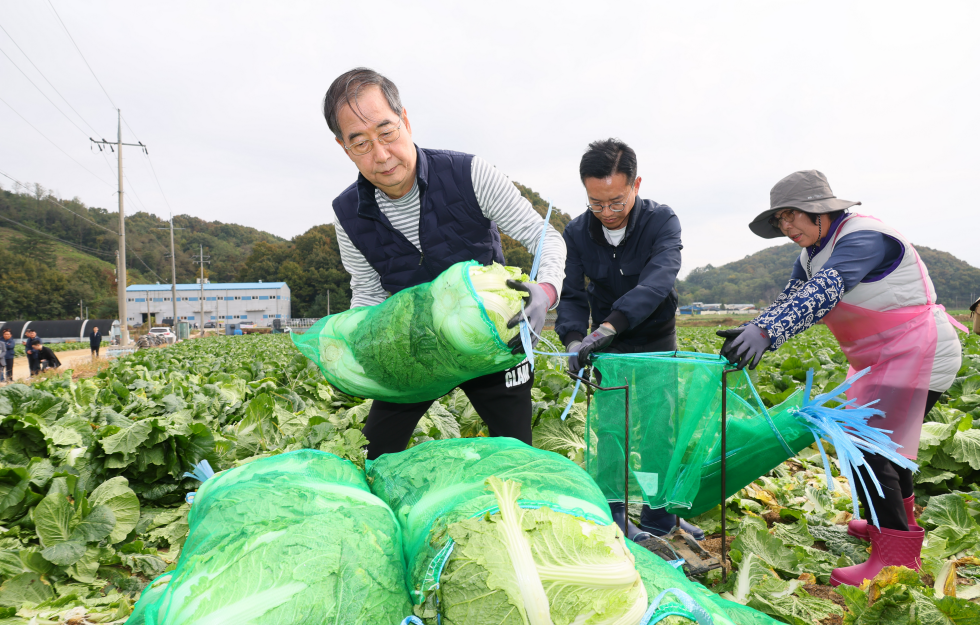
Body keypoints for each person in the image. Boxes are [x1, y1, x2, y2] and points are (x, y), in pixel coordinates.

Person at [718, 170, 965, 586]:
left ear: (822, 210)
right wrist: (753, 327)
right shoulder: (810, 253)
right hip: (884, 356)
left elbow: (828, 289)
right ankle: (893, 526)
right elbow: (793, 298)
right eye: (780, 219)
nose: (787, 226)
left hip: (919, 350)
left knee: (873, 447)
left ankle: (895, 559)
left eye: (793, 215)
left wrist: (768, 333)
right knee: (883, 445)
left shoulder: (863, 236)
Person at [324, 68, 566, 459]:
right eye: (361, 144)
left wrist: (546, 289)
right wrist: (355, 345)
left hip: (490, 338)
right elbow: (367, 289)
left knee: (517, 451)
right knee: (377, 449)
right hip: (414, 346)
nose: (382, 155)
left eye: (387, 132)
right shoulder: (346, 213)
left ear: (405, 120)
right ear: (343, 147)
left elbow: (545, 237)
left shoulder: (469, 174)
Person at [555, 138, 704, 541]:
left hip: (654, 335)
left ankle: (659, 514)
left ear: (635, 184)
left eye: (617, 202)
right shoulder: (577, 233)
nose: (607, 213)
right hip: (608, 346)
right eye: (596, 203)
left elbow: (659, 279)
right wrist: (572, 339)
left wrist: (609, 325)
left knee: (659, 427)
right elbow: (570, 293)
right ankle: (616, 513)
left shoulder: (661, 221)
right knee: (612, 428)